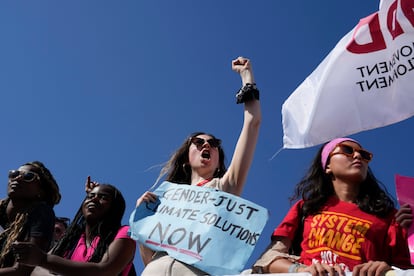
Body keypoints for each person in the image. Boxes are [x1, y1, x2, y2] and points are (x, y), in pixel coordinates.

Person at [136, 56, 261, 275]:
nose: (207, 145)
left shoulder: (224, 189)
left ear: (219, 160)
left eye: (213, 144)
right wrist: (143, 217)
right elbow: (148, 259)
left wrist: (246, 77)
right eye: (199, 142)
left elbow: (253, 124)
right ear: (186, 157)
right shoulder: (166, 199)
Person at [252, 137, 414, 275]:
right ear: (327, 165)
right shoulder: (306, 207)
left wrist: (385, 267)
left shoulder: (389, 216)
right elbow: (269, 259)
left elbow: (405, 270)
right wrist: (302, 269)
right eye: (347, 150)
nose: (357, 155)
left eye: (364, 155)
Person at [12, 177, 136, 276]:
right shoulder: (71, 239)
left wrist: (42, 259)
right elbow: (38, 271)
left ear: (115, 208)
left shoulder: (124, 233)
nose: (94, 199)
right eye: (90, 196)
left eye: (103, 197)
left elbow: (104, 271)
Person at [0, 161, 61, 275]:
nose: (17, 178)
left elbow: (23, 270)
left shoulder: (41, 212)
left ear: (41, 191)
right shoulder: (2, 208)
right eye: (14, 174)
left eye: (28, 176)